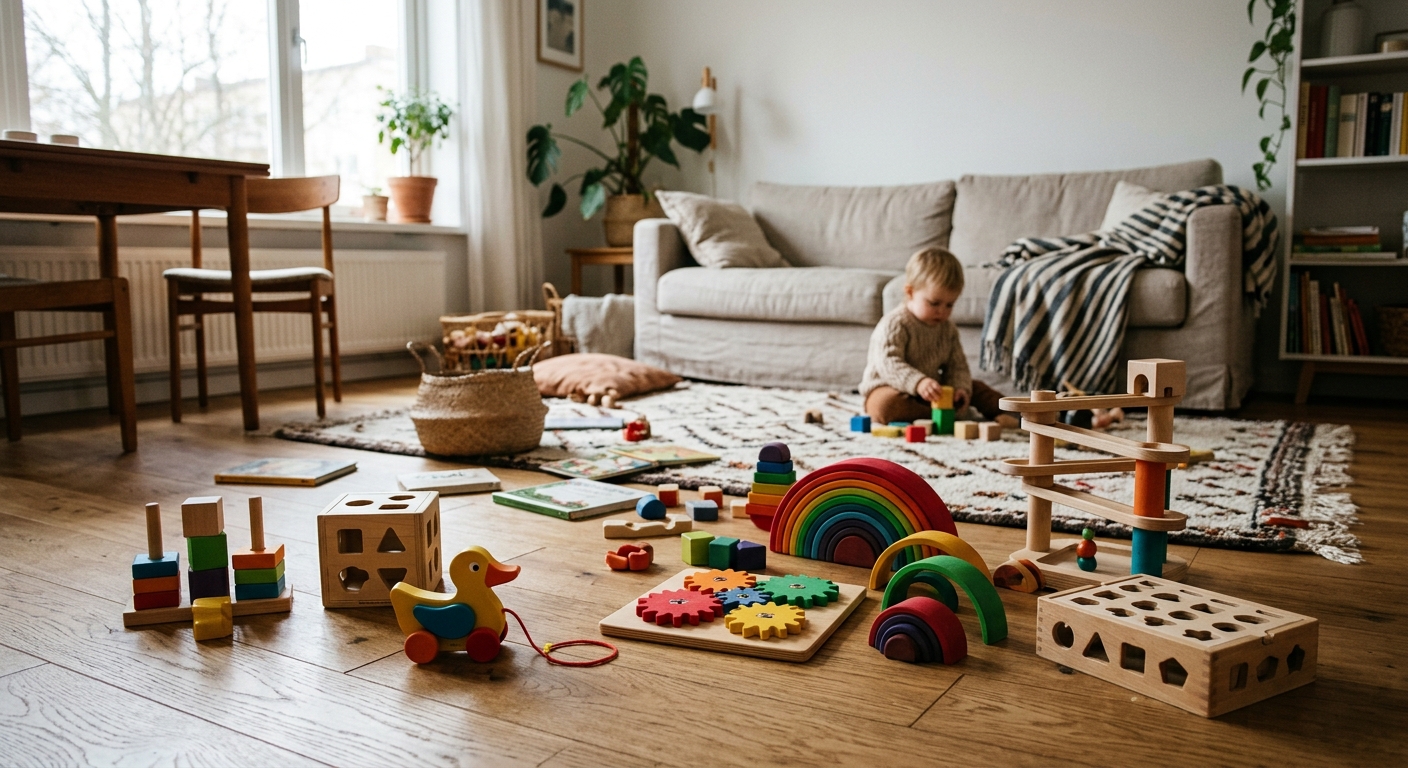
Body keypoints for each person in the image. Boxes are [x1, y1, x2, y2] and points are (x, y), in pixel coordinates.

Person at [858, 247, 1017, 427]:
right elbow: (889, 364)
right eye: (934, 303)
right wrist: (918, 383)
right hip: (889, 387)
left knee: (976, 388)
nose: (942, 311)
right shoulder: (895, 324)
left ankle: (1017, 414)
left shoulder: (947, 329)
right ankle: (947, 415)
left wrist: (959, 387)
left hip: (932, 391)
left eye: (950, 305)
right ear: (910, 292)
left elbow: (957, 365)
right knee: (885, 406)